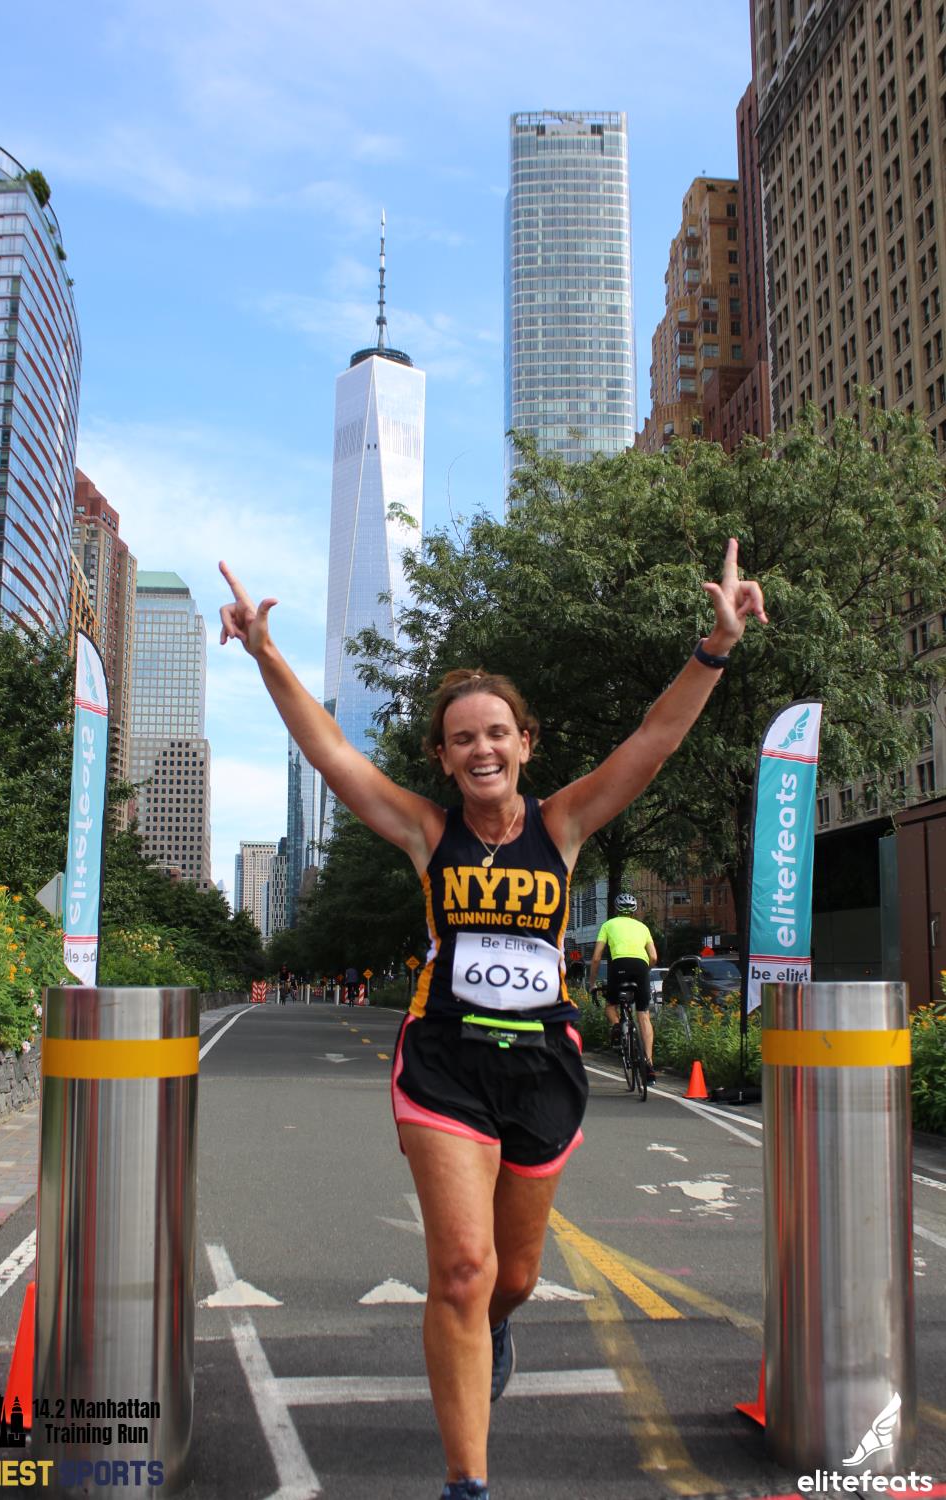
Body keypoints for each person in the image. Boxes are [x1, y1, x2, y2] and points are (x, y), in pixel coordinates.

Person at [218, 541, 766, 1500]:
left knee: (511, 1279)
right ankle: (466, 1483)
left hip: (542, 1067)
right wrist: (267, 654)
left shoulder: (563, 825)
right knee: (464, 1270)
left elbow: (654, 739)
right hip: (444, 1062)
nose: (481, 749)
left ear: (525, 744)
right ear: (443, 756)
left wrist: (714, 648)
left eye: (497, 734)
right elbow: (332, 753)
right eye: (462, 738)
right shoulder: (427, 832)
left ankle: (498, 1325)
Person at [588, 893, 659, 1082]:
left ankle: (617, 1027)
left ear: (616, 909)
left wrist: (592, 983)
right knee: (643, 1014)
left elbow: (596, 958)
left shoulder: (608, 925)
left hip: (619, 966)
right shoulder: (643, 927)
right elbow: (653, 957)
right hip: (641, 967)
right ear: (633, 911)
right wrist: (644, 971)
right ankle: (649, 1064)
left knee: (611, 1005)